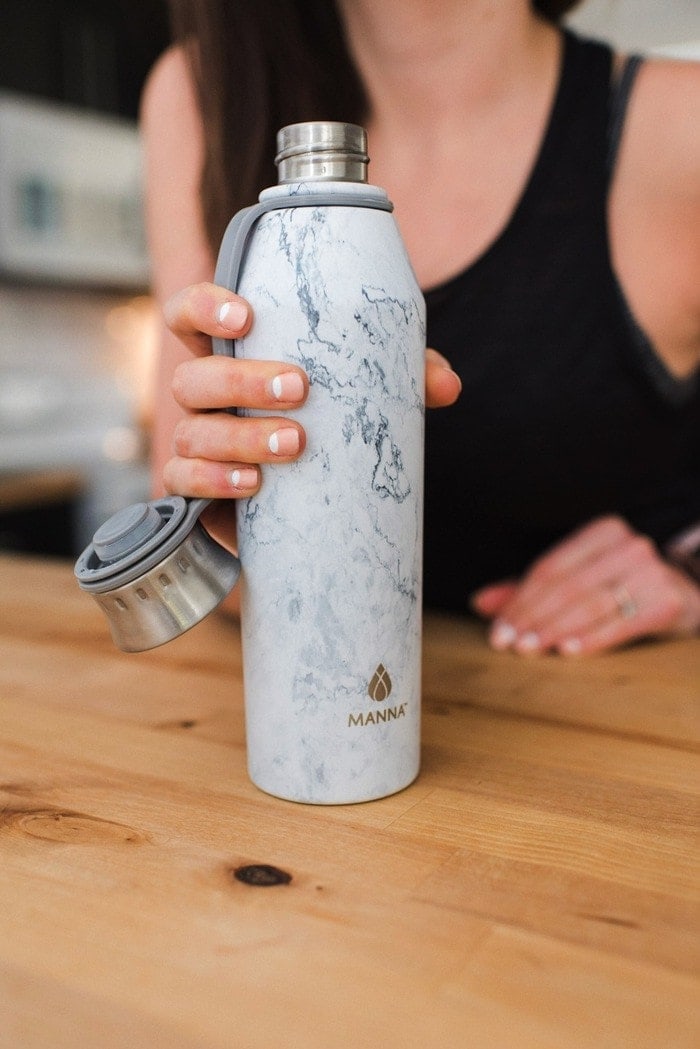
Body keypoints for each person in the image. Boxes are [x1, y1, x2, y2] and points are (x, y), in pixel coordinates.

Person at [141, 0, 700, 656]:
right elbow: (193, 549)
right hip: (315, 704)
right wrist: (240, 521)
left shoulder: (680, 126)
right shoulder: (205, 92)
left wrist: (689, 576)